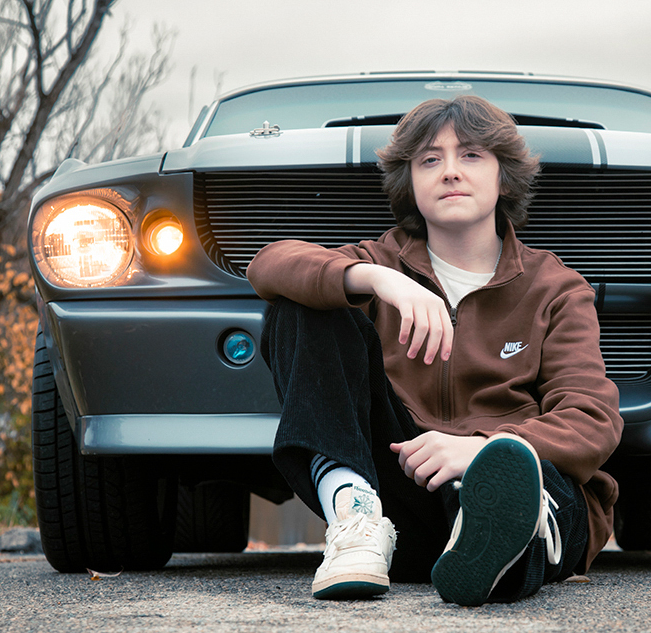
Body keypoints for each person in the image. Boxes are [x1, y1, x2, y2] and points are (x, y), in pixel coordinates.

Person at [246, 95, 622, 606]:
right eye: (429, 160)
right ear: (411, 184)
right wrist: (378, 281)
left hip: (511, 480)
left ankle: (499, 544)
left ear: (502, 176)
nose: (449, 172)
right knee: (300, 301)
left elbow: (591, 416)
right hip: (401, 489)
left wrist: (485, 446)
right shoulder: (380, 260)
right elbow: (268, 264)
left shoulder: (555, 287)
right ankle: (354, 519)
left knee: (522, 478)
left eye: (471, 155)